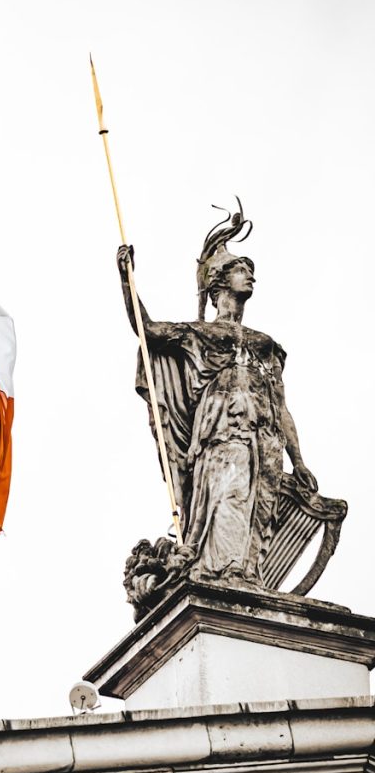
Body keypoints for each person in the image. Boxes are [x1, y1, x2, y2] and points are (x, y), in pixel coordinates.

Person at [117, 205, 317, 585]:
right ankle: (222, 577)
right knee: (227, 502)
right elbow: (146, 329)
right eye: (243, 269)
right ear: (219, 283)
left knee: (259, 514)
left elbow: (281, 406)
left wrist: (300, 460)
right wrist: (128, 280)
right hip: (223, 434)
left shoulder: (265, 344)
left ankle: (246, 580)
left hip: (266, 439)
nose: (251, 275)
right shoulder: (202, 334)